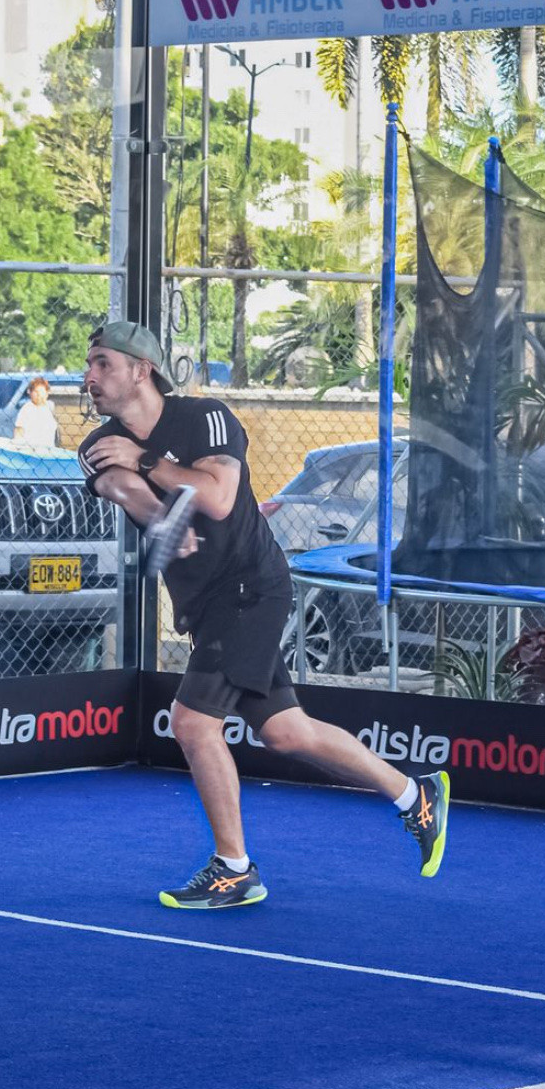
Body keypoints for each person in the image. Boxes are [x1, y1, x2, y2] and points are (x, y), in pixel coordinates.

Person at [78, 320, 450, 910]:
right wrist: (160, 518)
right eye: (88, 364)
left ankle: (234, 870)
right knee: (285, 732)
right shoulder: (98, 444)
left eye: (102, 363)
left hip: (250, 587)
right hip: (206, 603)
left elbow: (218, 498)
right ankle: (415, 795)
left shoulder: (206, 417)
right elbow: (122, 488)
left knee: (192, 724)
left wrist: (146, 459)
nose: (89, 376)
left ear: (142, 370)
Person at [13, 376, 60, 447]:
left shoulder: (50, 406)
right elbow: (19, 430)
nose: (39, 395)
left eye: (42, 391)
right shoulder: (27, 409)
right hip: (31, 449)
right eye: (36, 392)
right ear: (30, 393)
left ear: (47, 393)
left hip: (49, 449)